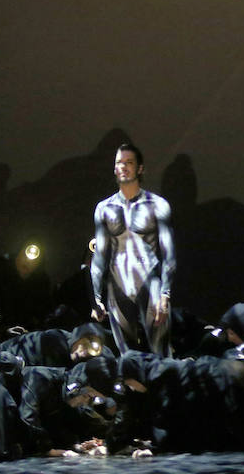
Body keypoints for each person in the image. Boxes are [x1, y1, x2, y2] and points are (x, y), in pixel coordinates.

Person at [90, 144, 176, 356]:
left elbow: (169, 254)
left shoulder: (157, 205)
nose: (123, 167)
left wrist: (165, 294)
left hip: (150, 283)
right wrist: (96, 298)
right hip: (118, 285)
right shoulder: (104, 208)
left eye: (129, 163)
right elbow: (99, 256)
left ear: (140, 168)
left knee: (161, 354)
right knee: (127, 357)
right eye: (119, 163)